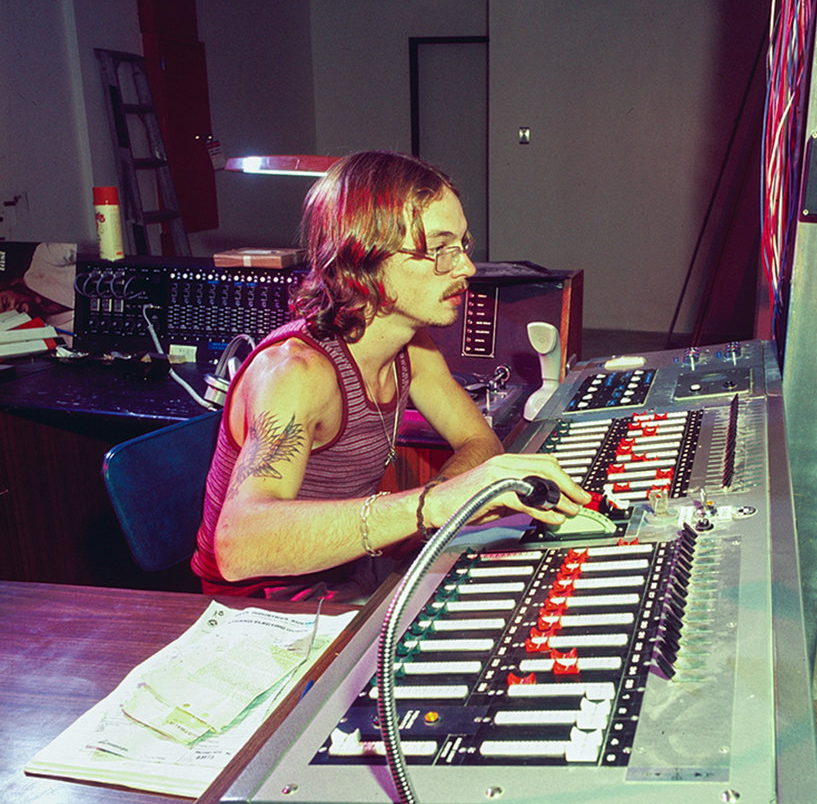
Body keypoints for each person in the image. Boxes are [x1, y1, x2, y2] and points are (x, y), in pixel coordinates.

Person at [192, 150, 588, 600]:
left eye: (462, 245)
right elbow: (239, 547)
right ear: (364, 259)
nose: (466, 267)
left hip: (347, 570)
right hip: (263, 603)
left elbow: (479, 441)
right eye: (439, 249)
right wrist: (431, 507)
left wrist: (443, 505)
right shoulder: (296, 373)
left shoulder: (412, 347)